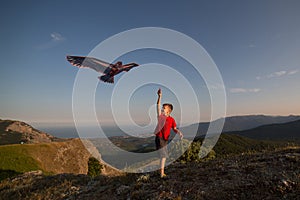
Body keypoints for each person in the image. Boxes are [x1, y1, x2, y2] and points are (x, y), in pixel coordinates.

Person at [154, 88, 183, 178]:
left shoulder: (171, 119)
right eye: (163, 108)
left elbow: (174, 128)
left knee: (163, 156)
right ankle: (161, 174)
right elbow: (158, 105)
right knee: (163, 156)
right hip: (159, 138)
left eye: (164, 108)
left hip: (165, 139)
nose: (162, 109)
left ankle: (160, 171)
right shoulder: (161, 117)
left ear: (169, 111)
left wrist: (179, 132)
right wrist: (159, 96)